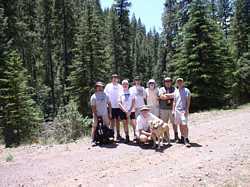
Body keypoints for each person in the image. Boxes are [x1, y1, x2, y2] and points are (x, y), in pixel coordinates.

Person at [90, 82, 112, 146]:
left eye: (101, 86)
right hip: (96, 113)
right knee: (95, 125)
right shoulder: (93, 96)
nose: (100, 88)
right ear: (96, 87)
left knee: (107, 125)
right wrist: (96, 116)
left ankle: (106, 138)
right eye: (98, 86)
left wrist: (110, 113)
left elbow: (109, 104)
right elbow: (93, 107)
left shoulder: (106, 95)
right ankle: (93, 139)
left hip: (105, 113)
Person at [173, 78, 191, 147]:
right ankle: (182, 137)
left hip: (183, 110)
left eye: (181, 82)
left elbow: (188, 100)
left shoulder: (186, 90)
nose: (179, 83)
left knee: (184, 125)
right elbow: (174, 101)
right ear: (177, 83)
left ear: (183, 83)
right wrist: (173, 110)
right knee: (180, 124)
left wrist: (187, 109)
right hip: (177, 110)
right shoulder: (176, 91)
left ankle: (186, 139)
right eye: (178, 82)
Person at [159, 77, 179, 141]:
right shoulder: (161, 89)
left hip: (172, 109)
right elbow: (162, 97)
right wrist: (171, 95)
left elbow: (176, 95)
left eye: (169, 81)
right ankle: (165, 137)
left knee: (174, 123)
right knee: (164, 123)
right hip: (163, 109)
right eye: (166, 81)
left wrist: (166, 95)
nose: (167, 82)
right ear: (164, 82)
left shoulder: (174, 88)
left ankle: (176, 136)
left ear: (171, 82)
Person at [104, 74, 123, 140]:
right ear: (111, 79)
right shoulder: (108, 86)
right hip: (110, 106)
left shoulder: (120, 86)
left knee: (118, 121)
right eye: (113, 78)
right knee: (111, 121)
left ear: (118, 79)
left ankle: (118, 135)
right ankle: (111, 135)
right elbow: (105, 95)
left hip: (118, 106)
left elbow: (122, 95)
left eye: (116, 78)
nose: (115, 79)